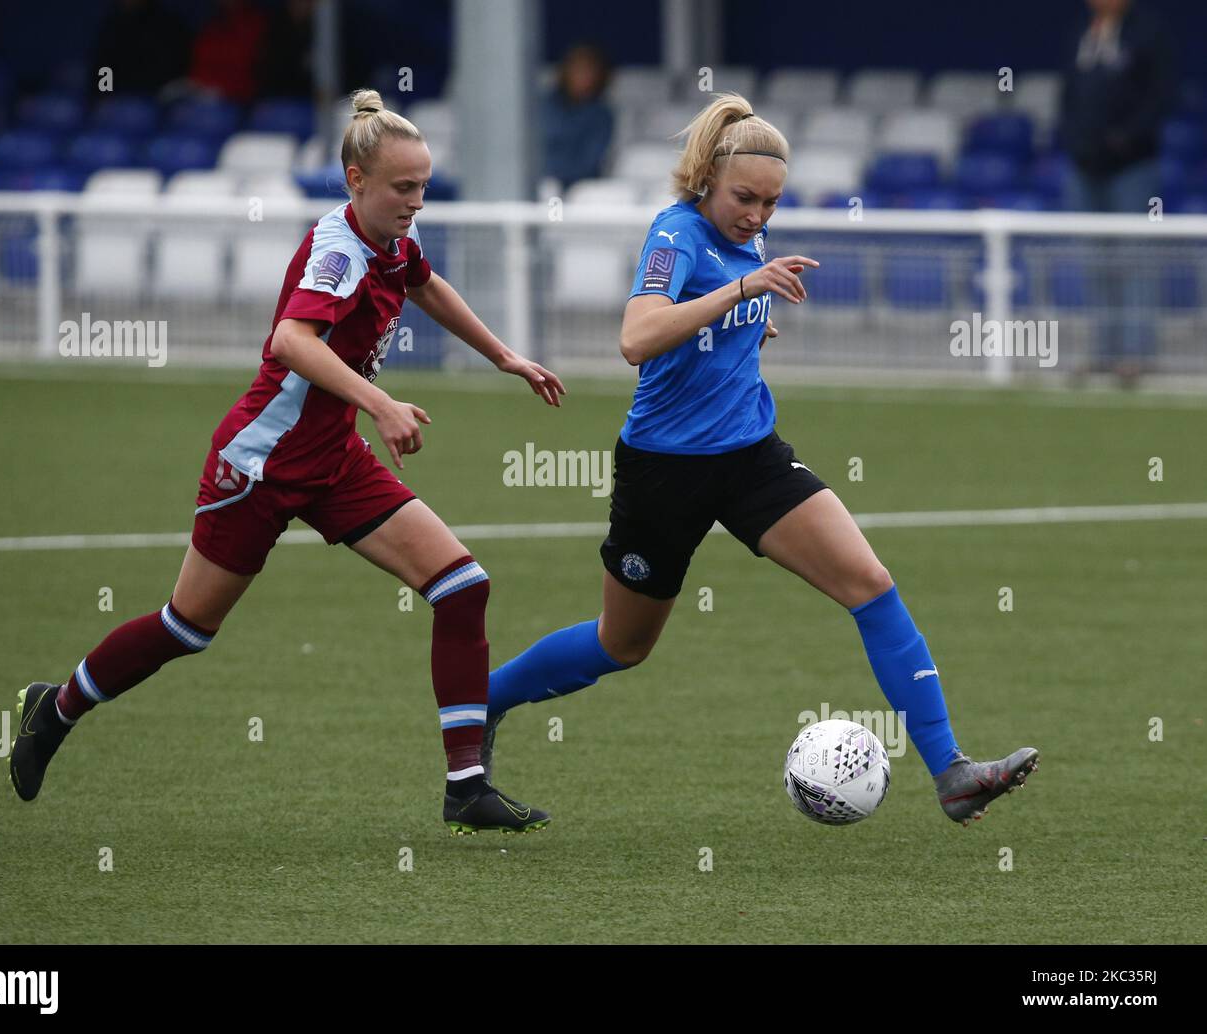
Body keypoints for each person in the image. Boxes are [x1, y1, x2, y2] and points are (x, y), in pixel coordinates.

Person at [11, 89, 566, 836]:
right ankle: (58, 706)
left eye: (424, 186)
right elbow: (291, 343)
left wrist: (504, 356)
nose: (417, 201)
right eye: (404, 187)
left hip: (332, 459)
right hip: (260, 466)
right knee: (188, 627)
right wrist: (378, 401)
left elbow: (423, 281)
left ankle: (465, 786)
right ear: (355, 181)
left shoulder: (391, 239)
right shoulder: (337, 250)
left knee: (462, 586)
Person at [483, 93, 1039, 827]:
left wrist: (743, 324)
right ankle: (483, 701)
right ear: (708, 177)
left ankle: (953, 773)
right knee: (623, 645)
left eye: (771, 203)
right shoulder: (674, 233)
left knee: (870, 584)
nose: (757, 216)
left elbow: (709, 322)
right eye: (745, 197)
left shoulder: (745, 233)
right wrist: (741, 291)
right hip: (664, 471)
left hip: (750, 457)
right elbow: (638, 337)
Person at [1059, 0, 1177, 385]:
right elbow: (1070, 96)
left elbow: (1160, 97)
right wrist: (1075, 142)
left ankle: (1135, 355)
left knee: (1134, 258)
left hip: (1132, 167)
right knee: (1095, 262)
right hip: (1084, 166)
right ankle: (1102, 352)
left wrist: (1124, 141)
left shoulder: (1148, 32)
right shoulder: (1081, 32)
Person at [541, 43, 615, 190]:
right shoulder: (543, 106)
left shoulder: (602, 116)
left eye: (589, 71)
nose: (583, 77)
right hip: (541, 185)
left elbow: (588, 163)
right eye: (577, 70)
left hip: (581, 190)